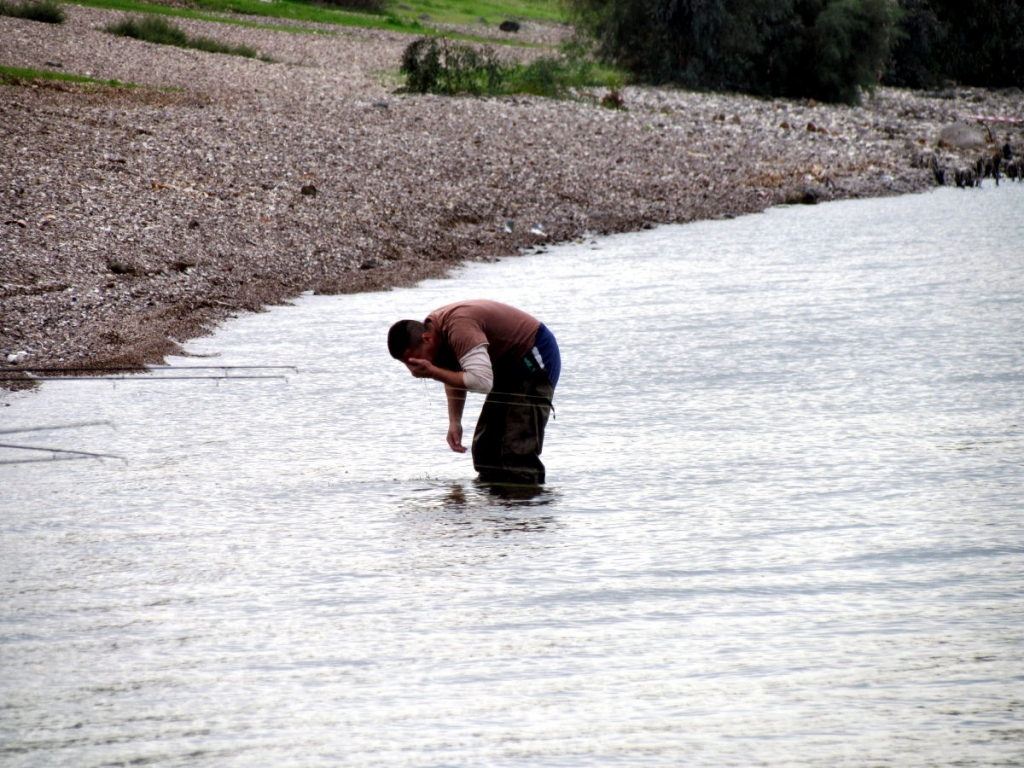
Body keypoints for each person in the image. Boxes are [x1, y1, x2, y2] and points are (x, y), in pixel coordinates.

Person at [388, 300, 561, 485]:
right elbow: (453, 373)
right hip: (506, 366)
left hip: (534, 354)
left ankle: (529, 506)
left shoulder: (459, 329)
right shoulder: (434, 334)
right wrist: (455, 422)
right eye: (407, 363)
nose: (412, 368)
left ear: (427, 339)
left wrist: (432, 372)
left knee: (517, 451)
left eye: (412, 360)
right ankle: (496, 509)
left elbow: (482, 382)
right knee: (486, 449)